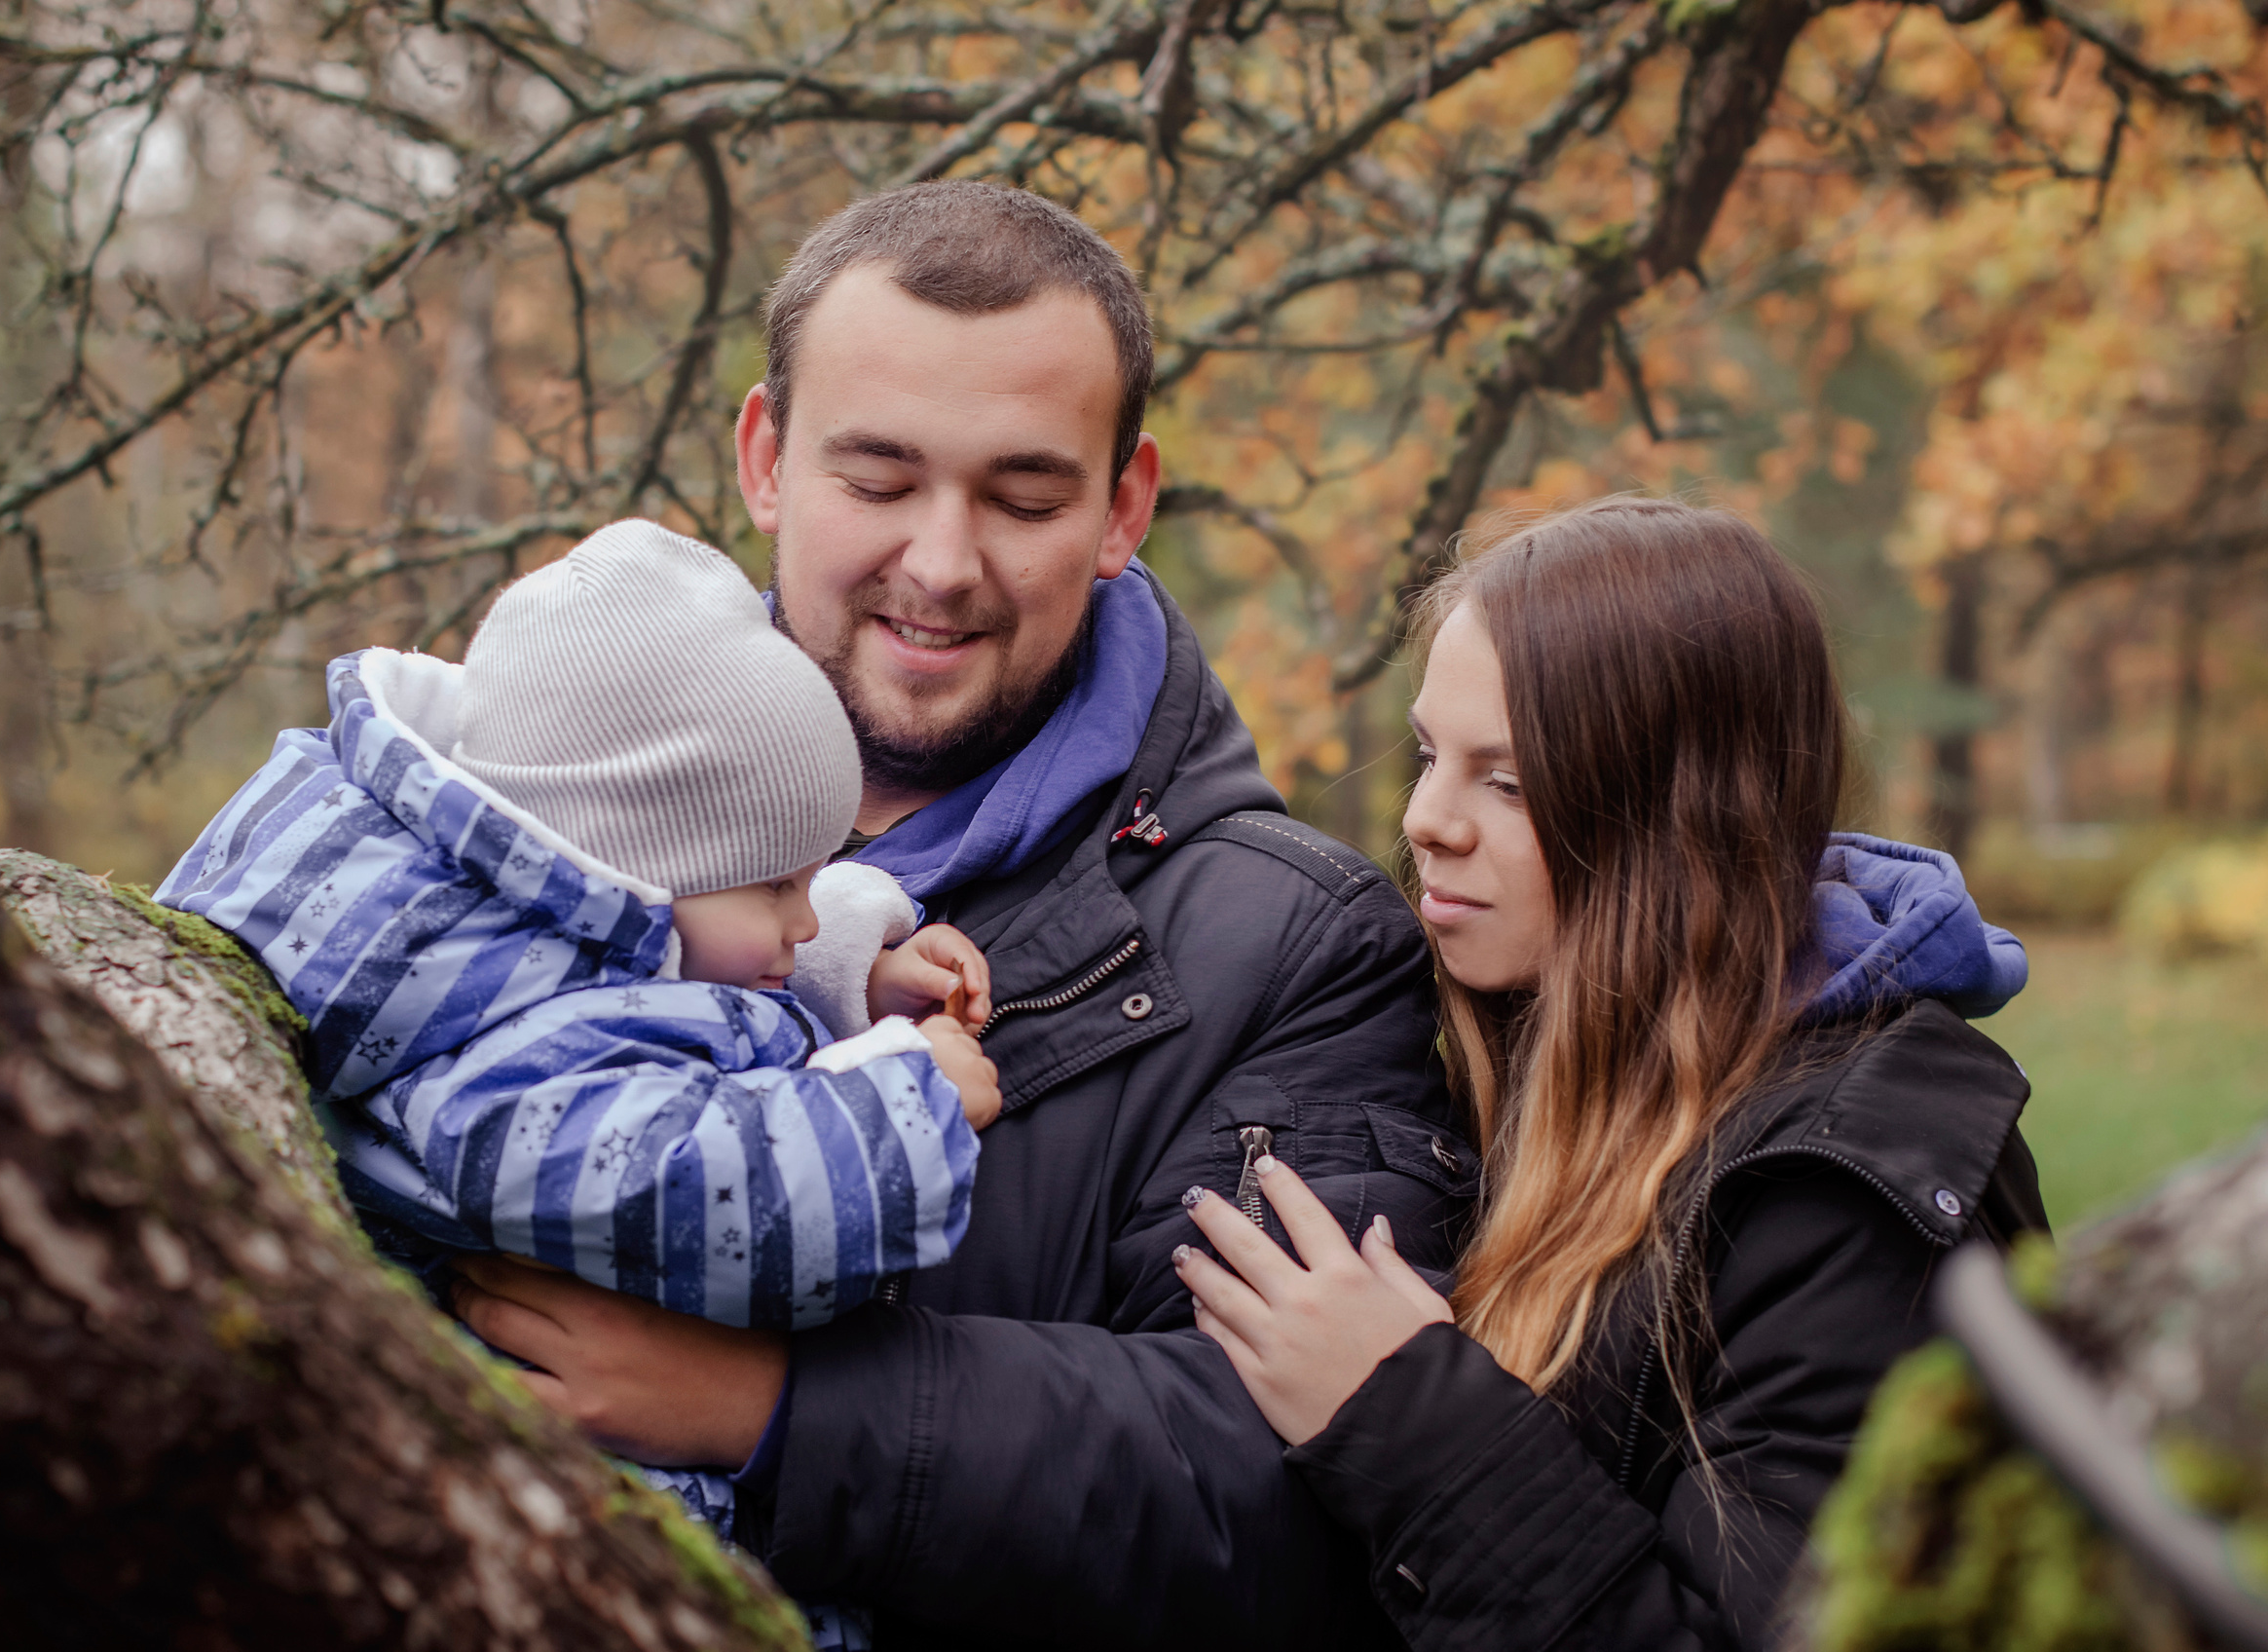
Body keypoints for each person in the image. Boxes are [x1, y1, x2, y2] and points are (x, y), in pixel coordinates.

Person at [444, 181, 1471, 1646]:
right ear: (765, 458)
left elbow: (1299, 1498)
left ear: (1123, 507)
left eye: (1023, 496)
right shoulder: (539, 781)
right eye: (877, 480)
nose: (939, 562)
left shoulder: (1299, 951)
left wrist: (781, 1412)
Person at [1172, 497, 2048, 1650]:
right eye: (1433, 755)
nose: (1425, 819)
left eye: (1509, 783)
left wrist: (1405, 1416)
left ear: (1678, 819)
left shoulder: (1841, 1207)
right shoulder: (1504, 1068)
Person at [151, 521, 1003, 1597]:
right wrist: (907, 1102)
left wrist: (839, 968)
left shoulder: (491, 942)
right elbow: (693, 1185)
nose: (801, 916)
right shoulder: (504, 1064)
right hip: (578, 1545)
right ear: (626, 870)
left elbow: (669, 947)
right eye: (781, 886)